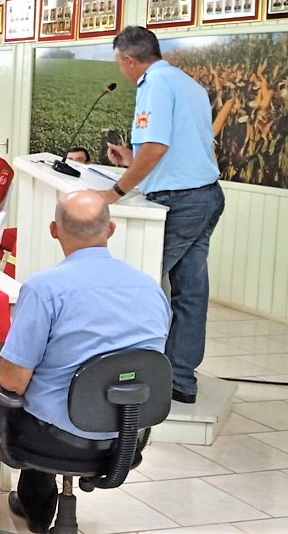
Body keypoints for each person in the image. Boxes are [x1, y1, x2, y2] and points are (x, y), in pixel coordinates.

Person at [0, 191, 169, 534]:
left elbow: (12, 381)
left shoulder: (45, 289)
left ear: (54, 230)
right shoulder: (150, 289)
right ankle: (33, 506)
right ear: (111, 229)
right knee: (47, 400)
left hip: (59, 438)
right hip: (126, 436)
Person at [98, 26, 224, 404]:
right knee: (190, 293)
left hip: (181, 203)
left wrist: (115, 192)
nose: (121, 70)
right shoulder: (187, 83)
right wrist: (131, 159)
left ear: (130, 59)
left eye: (119, 62)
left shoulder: (153, 84)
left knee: (138, 285)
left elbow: (156, 146)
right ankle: (180, 379)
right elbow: (177, 148)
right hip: (205, 196)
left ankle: (123, 373)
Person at [0, 147, 89, 278]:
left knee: (22, 243)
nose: (74, 164)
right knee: (1, 237)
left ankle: (10, 282)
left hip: (59, 233)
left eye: (79, 160)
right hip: (37, 225)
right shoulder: (54, 183)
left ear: (87, 164)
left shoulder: (88, 189)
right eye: (70, 160)